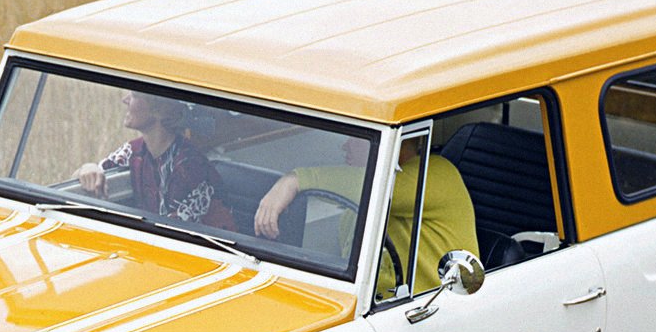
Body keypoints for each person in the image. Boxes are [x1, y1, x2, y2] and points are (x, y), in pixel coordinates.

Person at [254, 139, 476, 296]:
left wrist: (294, 180)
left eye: (357, 138)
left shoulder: (438, 173)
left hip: (438, 305)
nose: (345, 146)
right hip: (386, 308)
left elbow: (379, 189)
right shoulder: (354, 212)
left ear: (396, 143)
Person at [75, 92, 235, 229]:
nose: (125, 99)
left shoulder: (190, 168)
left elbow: (172, 235)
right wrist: (88, 169)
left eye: (135, 95)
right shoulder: (134, 150)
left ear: (160, 110)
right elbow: (87, 176)